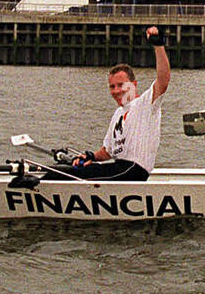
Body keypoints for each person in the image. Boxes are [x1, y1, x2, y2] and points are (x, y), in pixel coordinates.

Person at [65, 26, 170, 181]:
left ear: (133, 84)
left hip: (134, 170)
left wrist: (158, 45)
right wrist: (91, 156)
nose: (116, 91)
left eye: (121, 85)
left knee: (70, 177)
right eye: (112, 86)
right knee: (64, 171)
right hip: (119, 167)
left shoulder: (146, 104)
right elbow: (108, 151)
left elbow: (163, 80)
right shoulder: (117, 114)